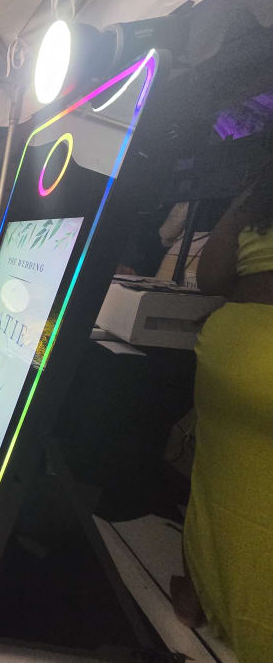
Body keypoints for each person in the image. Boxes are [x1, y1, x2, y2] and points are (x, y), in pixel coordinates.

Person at [171, 163, 273, 660]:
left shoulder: (261, 189)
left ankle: (199, 595)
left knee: (216, 476)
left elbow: (211, 275)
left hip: (241, 345)